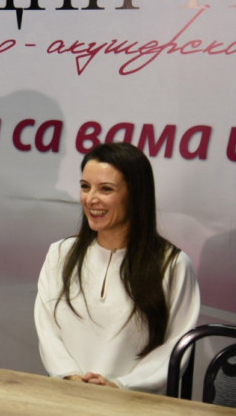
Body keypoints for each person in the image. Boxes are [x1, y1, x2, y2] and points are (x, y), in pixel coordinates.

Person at [34, 142, 200, 394]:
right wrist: (70, 376)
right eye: (85, 187)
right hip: (65, 397)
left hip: (134, 404)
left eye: (106, 189)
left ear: (136, 195)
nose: (91, 199)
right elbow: (47, 328)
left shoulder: (172, 265)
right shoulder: (60, 254)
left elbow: (176, 345)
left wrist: (120, 385)